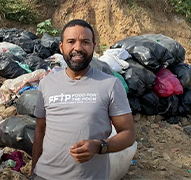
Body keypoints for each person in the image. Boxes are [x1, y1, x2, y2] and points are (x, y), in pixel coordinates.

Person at [31, 19, 136, 180]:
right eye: (71, 42)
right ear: (61, 46)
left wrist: (99, 146)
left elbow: (128, 134)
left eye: (85, 42)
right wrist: (34, 172)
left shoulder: (110, 84)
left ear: (94, 46)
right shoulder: (46, 84)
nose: (78, 48)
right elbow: (40, 130)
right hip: (44, 175)